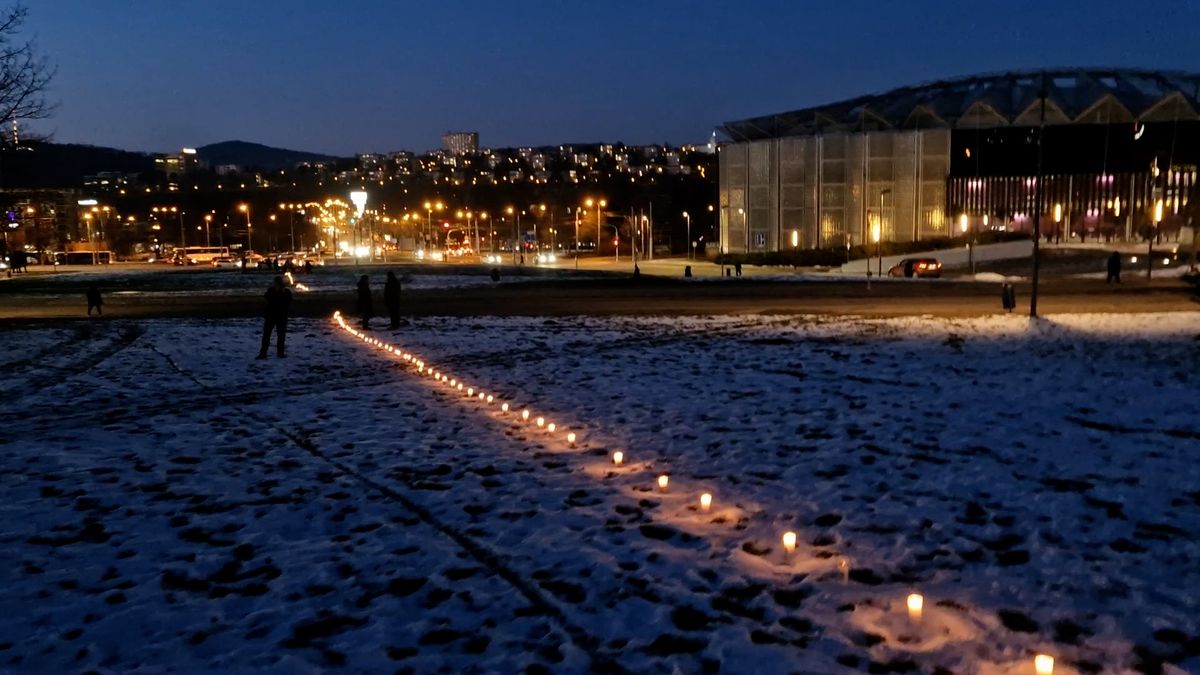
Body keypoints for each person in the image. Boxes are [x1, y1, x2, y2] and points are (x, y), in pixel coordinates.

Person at [257, 276, 292, 359]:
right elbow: (267, 299)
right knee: (271, 335)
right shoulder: (275, 291)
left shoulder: (284, 292)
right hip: (274, 316)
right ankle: (269, 353)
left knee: (274, 335)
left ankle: (266, 353)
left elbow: (287, 301)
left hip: (275, 316)